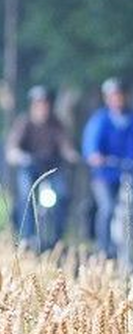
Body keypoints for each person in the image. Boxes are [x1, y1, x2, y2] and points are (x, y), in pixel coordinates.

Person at [81, 78, 133, 257]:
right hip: (105, 174)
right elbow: (91, 144)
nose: (118, 99)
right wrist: (94, 155)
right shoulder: (100, 120)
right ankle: (103, 249)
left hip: (130, 172)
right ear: (107, 98)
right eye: (114, 96)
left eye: (121, 95)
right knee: (107, 208)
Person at [5, 85, 78, 246]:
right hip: (29, 168)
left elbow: (65, 145)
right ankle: (26, 237)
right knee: (26, 195)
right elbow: (12, 148)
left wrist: (71, 155)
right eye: (39, 103)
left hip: (52, 169)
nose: (42, 107)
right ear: (32, 105)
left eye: (45, 103)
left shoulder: (57, 124)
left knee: (63, 195)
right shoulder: (24, 123)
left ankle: (58, 237)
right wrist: (19, 156)